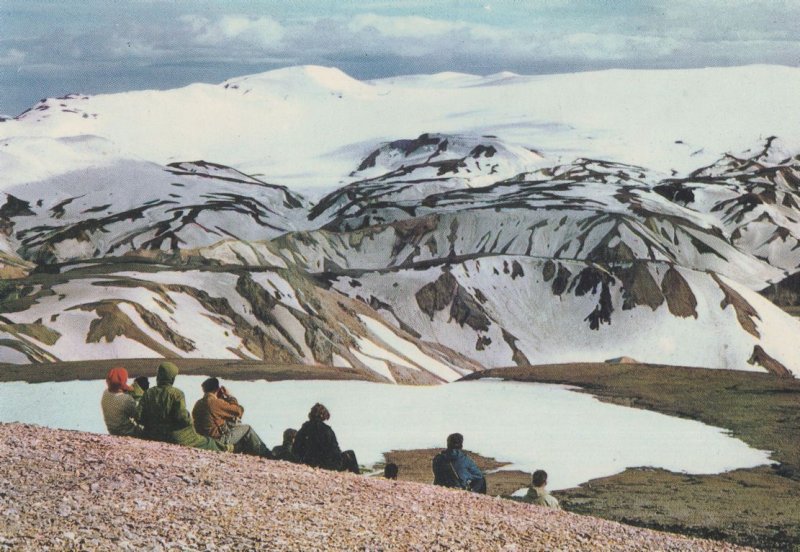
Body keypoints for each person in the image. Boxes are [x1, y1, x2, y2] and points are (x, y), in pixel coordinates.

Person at [137, 361, 226, 452]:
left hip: (151, 434)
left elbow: (139, 417)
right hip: (172, 437)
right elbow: (182, 418)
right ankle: (229, 448)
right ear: (172, 377)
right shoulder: (177, 394)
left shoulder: (148, 393)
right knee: (208, 442)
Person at [192, 377, 272, 457]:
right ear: (217, 389)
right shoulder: (214, 402)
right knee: (247, 428)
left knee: (233, 423)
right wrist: (229, 396)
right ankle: (265, 453)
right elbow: (238, 411)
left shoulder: (198, 403)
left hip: (204, 440)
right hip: (217, 441)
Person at [292, 403, 360, 474]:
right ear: (323, 416)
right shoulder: (327, 430)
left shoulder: (303, 429)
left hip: (308, 462)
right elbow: (335, 451)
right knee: (350, 453)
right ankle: (358, 477)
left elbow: (295, 448)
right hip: (327, 465)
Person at [100, 367, 142, 437]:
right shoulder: (126, 399)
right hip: (129, 433)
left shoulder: (105, 393)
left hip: (112, 431)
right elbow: (139, 417)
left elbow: (115, 390)